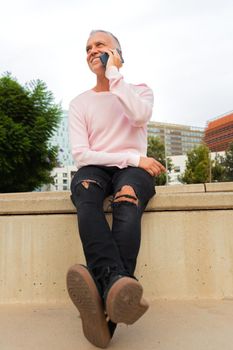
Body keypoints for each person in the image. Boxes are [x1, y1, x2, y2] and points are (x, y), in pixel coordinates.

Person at [66, 29, 165, 348]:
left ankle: (105, 305)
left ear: (117, 53)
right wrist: (133, 155)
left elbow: (139, 115)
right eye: (88, 48)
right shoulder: (80, 103)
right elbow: (82, 154)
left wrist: (114, 73)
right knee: (86, 193)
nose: (92, 50)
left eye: (100, 45)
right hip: (104, 165)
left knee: (127, 198)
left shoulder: (139, 91)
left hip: (134, 172)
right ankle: (116, 284)